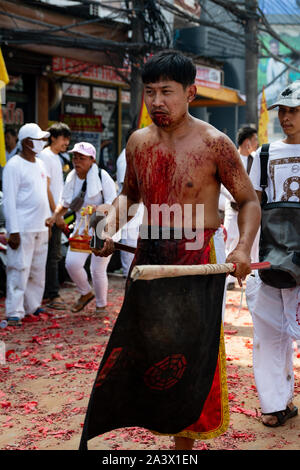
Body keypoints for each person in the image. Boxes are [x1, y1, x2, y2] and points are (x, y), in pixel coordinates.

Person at [82, 51, 261, 450]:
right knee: (145, 346)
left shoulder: (216, 144)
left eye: (167, 91)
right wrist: (108, 230)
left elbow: (248, 202)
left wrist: (243, 247)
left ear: (191, 93)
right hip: (149, 258)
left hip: (197, 261)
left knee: (191, 355)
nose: (157, 101)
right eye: (150, 92)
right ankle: (153, 423)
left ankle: (182, 448)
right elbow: (129, 196)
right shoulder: (138, 142)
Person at [247, 80, 300, 427]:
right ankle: (275, 404)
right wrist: (246, 257)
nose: (286, 117)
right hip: (270, 257)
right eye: (283, 110)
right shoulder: (263, 155)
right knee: (268, 332)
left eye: (294, 111)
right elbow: (250, 205)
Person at [46, 142, 117, 315]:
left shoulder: (102, 175)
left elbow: (114, 204)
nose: (77, 161)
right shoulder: (71, 176)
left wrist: (97, 210)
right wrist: (55, 217)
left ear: (92, 160)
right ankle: (86, 293)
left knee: (97, 269)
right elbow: (65, 203)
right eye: (75, 157)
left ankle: (101, 306)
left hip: (103, 226)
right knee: (72, 264)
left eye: (81, 158)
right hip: (80, 227)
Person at [3, 123, 51, 326]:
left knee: (37, 270)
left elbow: (43, 195)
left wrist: (49, 221)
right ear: (26, 142)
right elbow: (9, 201)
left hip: (41, 225)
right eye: (38, 140)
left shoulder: (40, 164)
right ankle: (14, 310)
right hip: (22, 227)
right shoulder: (13, 165)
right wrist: (13, 230)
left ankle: (32, 305)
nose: (42, 143)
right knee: (18, 269)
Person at [38, 122, 71, 310]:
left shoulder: (57, 157)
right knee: (52, 255)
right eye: (63, 138)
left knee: (52, 255)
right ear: (53, 138)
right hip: (49, 214)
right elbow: (46, 187)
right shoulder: (46, 156)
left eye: (67, 139)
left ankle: (46, 292)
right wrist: (55, 214)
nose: (66, 142)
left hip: (55, 212)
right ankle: (52, 294)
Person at [223, 126, 259, 290]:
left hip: (250, 211)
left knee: (253, 242)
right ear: (247, 142)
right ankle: (228, 279)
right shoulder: (231, 158)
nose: (257, 143)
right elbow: (223, 185)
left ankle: (254, 276)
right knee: (231, 240)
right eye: (255, 140)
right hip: (234, 209)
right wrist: (238, 196)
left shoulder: (256, 159)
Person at [116, 137, 144, 278]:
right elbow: (129, 188)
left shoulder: (138, 154)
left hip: (140, 214)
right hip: (129, 213)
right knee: (129, 256)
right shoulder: (125, 157)